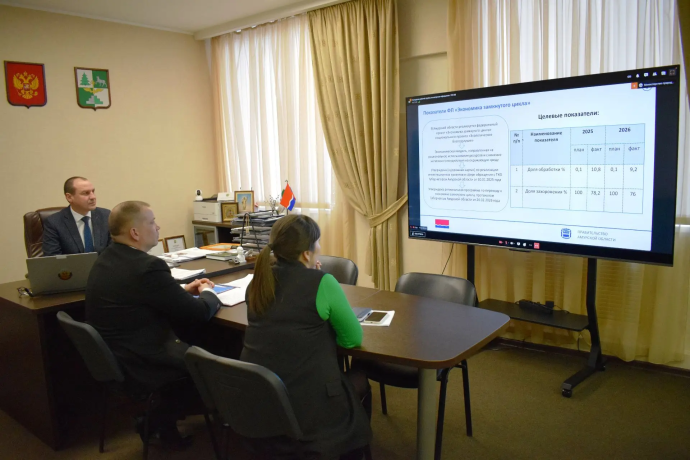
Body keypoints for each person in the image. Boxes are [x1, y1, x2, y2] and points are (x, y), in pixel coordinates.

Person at [85, 201, 221, 449]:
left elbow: (136, 294)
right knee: (215, 355)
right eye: (152, 222)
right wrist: (209, 293)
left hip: (118, 354)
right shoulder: (148, 266)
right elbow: (199, 313)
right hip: (143, 362)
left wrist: (180, 291)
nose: (158, 227)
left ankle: (160, 423)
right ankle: (156, 420)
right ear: (135, 232)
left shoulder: (106, 258)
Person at [241, 215, 372, 459]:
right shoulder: (323, 283)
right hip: (308, 407)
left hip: (261, 400)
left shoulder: (258, 282)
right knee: (359, 378)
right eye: (317, 243)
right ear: (306, 253)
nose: (320, 247)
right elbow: (352, 340)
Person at [42, 176, 112, 256]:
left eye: (93, 191)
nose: (93, 197)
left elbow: (114, 251)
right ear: (69, 197)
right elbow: (53, 258)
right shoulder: (54, 223)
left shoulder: (106, 216)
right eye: (86, 193)